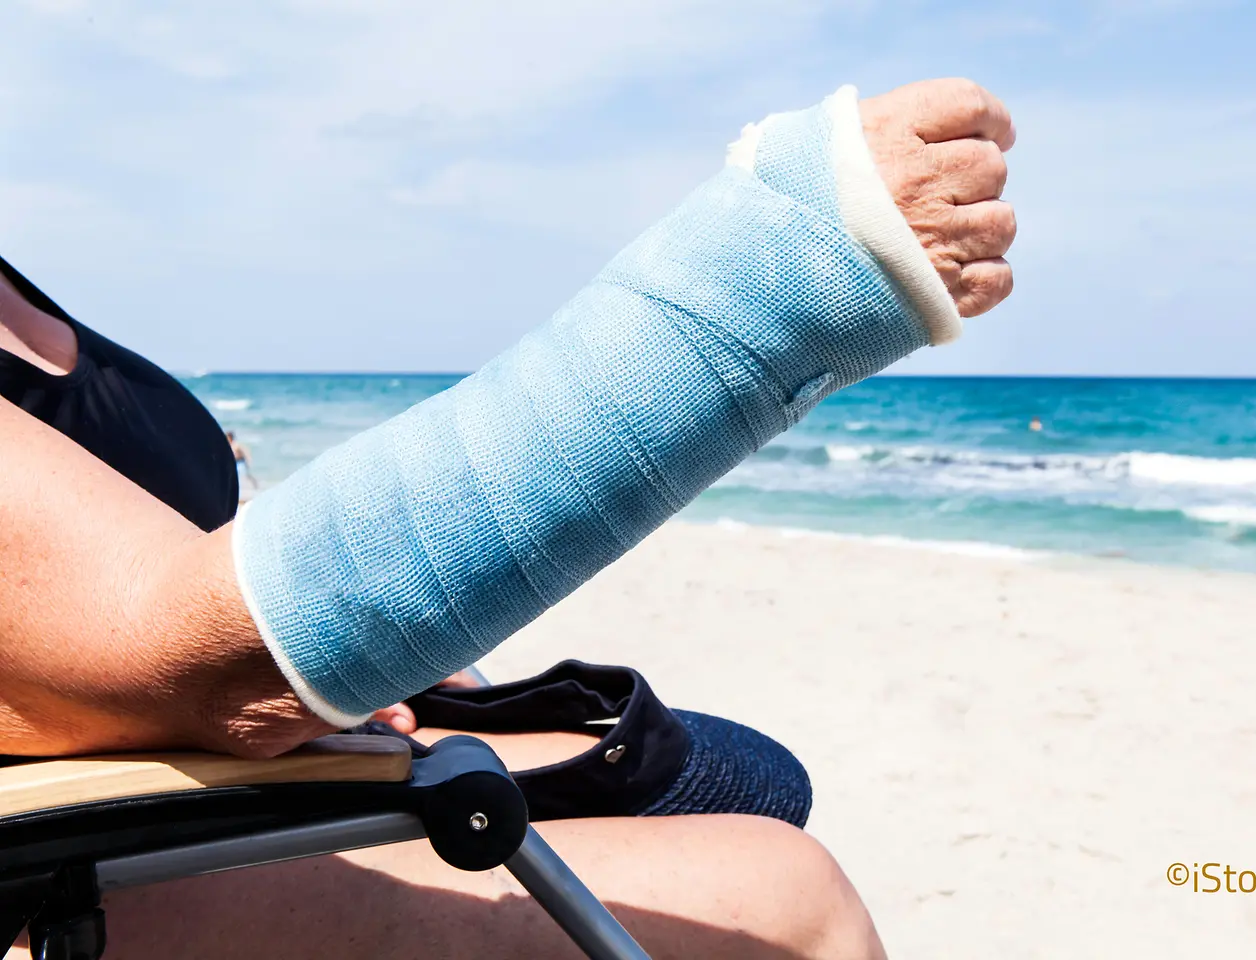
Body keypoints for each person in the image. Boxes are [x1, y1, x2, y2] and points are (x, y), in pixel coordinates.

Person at [0, 76, 1016, 959]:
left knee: (740, 774)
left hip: (182, 777)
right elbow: (183, 647)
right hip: (51, 869)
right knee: (795, 905)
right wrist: (811, 264)